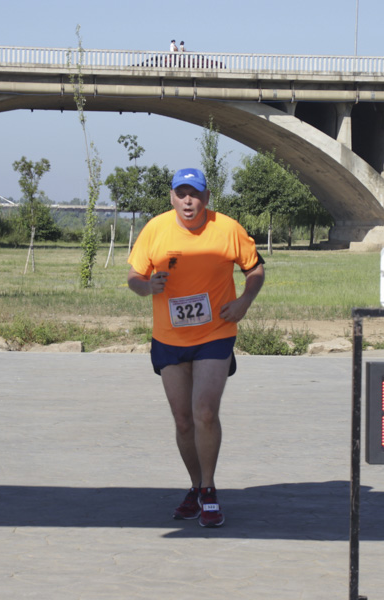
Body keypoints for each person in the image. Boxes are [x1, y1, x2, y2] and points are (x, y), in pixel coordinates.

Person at [126, 168, 265, 528]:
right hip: (169, 338)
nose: (189, 201)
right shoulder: (155, 229)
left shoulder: (227, 228)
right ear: (172, 196)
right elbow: (133, 278)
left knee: (204, 411)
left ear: (207, 197)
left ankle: (208, 489)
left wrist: (244, 302)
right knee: (184, 420)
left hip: (216, 332)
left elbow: (255, 269)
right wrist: (147, 287)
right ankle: (194, 485)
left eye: (196, 194)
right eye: (182, 194)